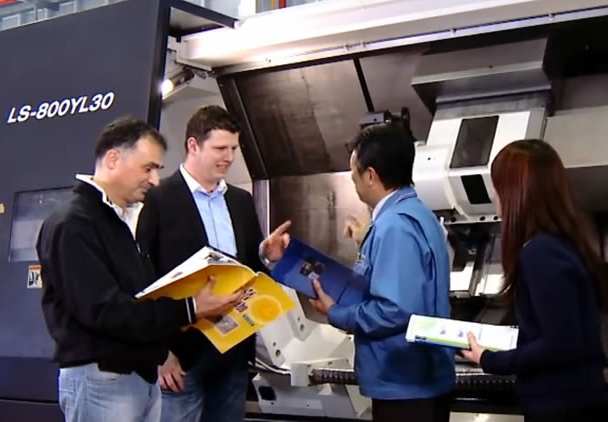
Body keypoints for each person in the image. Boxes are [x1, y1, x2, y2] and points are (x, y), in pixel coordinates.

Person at [37, 116, 243, 422]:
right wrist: (189, 308)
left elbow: (138, 296)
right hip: (103, 381)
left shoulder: (120, 221)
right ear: (113, 159)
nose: (155, 180)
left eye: (157, 170)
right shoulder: (73, 224)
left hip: (138, 377)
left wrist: (161, 352)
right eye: (147, 168)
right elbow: (105, 310)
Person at [263, 123, 455, 422]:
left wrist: (336, 312)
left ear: (371, 175)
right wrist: (287, 261)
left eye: (354, 175)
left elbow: (394, 310)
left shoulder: (394, 226)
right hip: (415, 381)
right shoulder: (417, 214)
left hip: (404, 385)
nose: (354, 182)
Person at [459, 139, 608, 422]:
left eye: (498, 185)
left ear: (515, 192)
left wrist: (489, 359)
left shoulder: (541, 253)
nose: (494, 194)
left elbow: (559, 344)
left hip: (563, 410)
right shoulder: (560, 245)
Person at [136, 106, 273, 422]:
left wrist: (269, 257)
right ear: (193, 145)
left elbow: (253, 269)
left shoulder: (240, 201)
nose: (229, 157)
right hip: (181, 356)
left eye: (234, 148)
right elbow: (142, 280)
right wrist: (160, 353)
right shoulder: (157, 200)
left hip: (234, 351)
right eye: (220, 148)